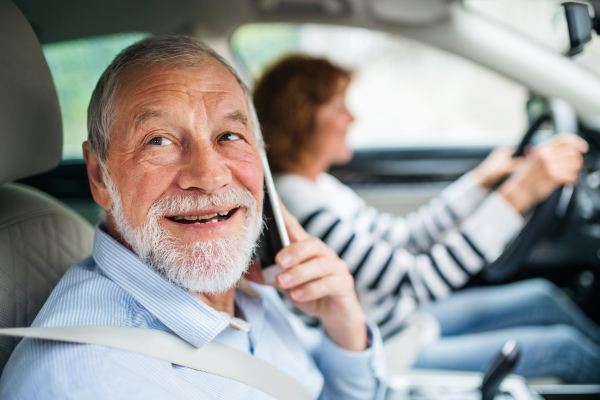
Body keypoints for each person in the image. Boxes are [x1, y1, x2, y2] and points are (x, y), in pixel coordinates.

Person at [0, 37, 386, 399]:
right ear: (100, 176)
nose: (210, 175)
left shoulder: (248, 287)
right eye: (159, 140)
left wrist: (344, 328)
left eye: (230, 136)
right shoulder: (90, 383)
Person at [254, 55, 600, 383]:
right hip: (390, 351)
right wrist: (518, 196)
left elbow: (403, 237)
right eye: (339, 106)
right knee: (564, 350)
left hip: (406, 324)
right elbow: (416, 281)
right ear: (300, 117)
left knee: (541, 297)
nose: (352, 118)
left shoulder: (320, 185)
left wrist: (480, 181)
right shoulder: (301, 203)